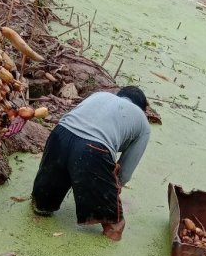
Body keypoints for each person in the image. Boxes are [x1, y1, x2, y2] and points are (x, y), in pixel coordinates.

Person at [31, 86, 151, 242]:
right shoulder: (142, 122)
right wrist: (109, 193)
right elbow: (124, 173)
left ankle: (43, 205)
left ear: (118, 95)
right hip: (92, 150)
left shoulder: (99, 95)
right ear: (141, 108)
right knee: (115, 225)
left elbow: (76, 126)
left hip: (59, 135)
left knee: (41, 206)